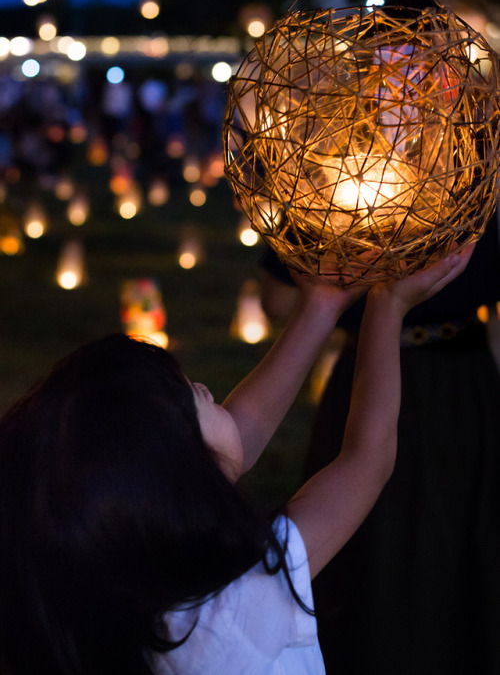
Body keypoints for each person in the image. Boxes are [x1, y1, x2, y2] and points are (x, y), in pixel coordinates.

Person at [0, 250, 472, 675]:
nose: (202, 388)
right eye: (190, 399)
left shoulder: (132, 598)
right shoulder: (238, 603)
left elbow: (235, 438)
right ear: (182, 480)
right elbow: (365, 461)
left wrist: (321, 304)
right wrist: (388, 306)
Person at [261, 211, 500, 675]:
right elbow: (275, 298)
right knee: (370, 538)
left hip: (457, 387)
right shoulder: (330, 186)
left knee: (454, 536)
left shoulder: (475, 180)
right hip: (387, 378)